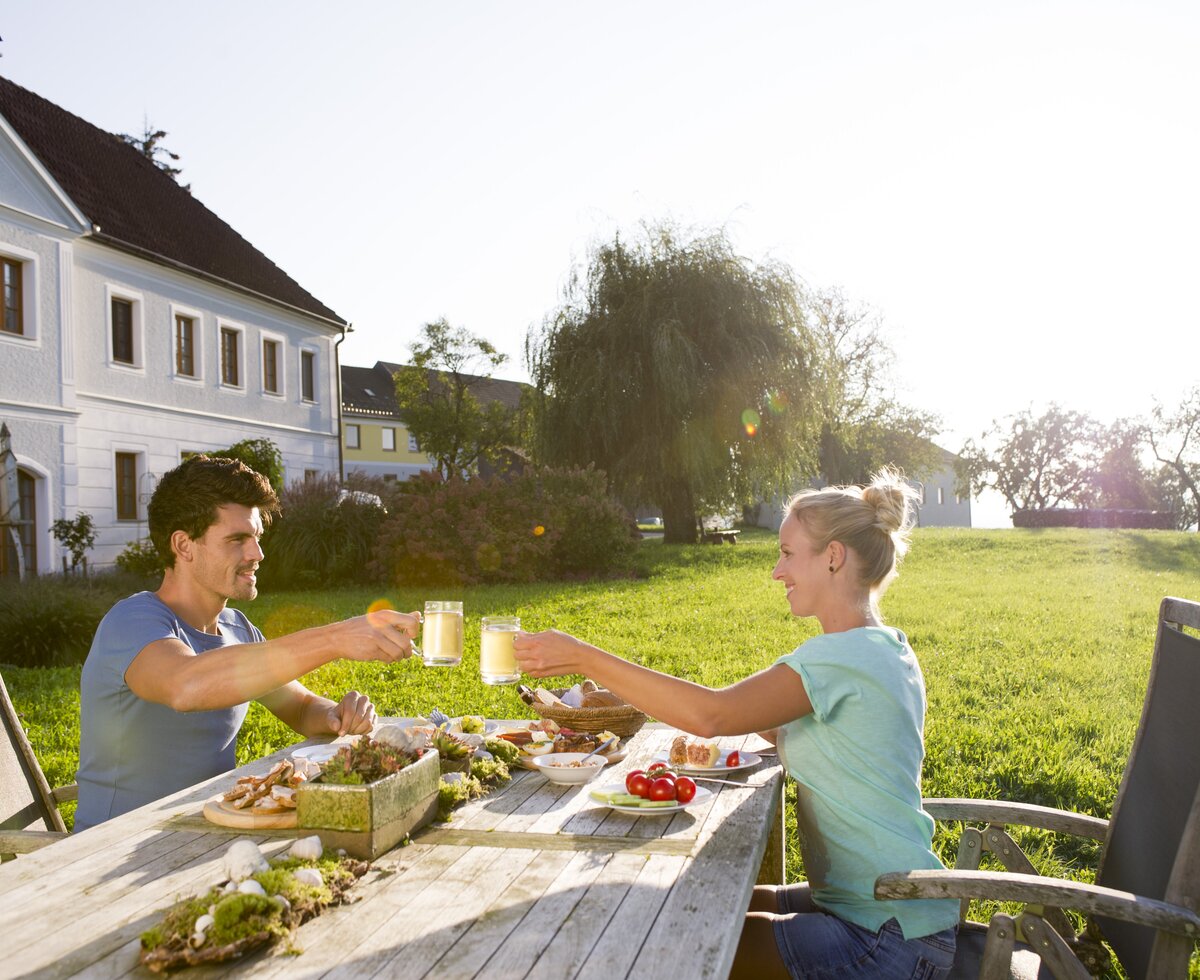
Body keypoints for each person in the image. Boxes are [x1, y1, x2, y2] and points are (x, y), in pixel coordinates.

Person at [513, 469, 959, 980]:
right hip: (887, 909)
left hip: (886, 939)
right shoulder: (879, 647)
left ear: (833, 557)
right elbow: (762, 720)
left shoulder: (841, 658)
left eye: (788, 553)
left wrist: (583, 657)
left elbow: (713, 715)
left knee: (674, 931)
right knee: (702, 898)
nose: (776, 571)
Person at [75, 455, 420, 831]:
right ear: (183, 545)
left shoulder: (237, 628)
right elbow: (186, 685)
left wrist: (337, 715)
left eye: (256, 537)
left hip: (206, 832)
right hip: (112, 849)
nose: (257, 554)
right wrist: (336, 637)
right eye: (238, 539)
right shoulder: (132, 622)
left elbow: (300, 706)